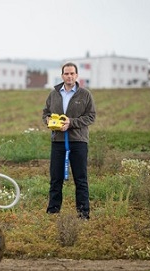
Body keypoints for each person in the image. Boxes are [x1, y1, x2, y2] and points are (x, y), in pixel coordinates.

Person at [42, 62, 96, 219]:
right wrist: (51, 122)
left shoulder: (85, 95)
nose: (69, 76)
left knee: (80, 179)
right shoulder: (54, 94)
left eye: (72, 73)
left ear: (77, 76)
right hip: (58, 141)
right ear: (62, 76)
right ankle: (53, 211)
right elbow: (45, 113)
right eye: (66, 74)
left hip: (78, 141)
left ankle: (83, 213)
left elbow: (91, 116)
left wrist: (71, 123)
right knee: (55, 179)